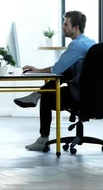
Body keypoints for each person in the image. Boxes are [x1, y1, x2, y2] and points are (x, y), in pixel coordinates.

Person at [14, 11, 96, 151]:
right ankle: (36, 95)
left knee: (47, 97)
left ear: (76, 27)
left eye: (66, 24)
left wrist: (37, 70)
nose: (63, 27)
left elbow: (57, 68)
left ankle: (43, 138)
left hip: (79, 95)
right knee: (67, 72)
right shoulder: (90, 42)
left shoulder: (76, 45)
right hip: (92, 93)